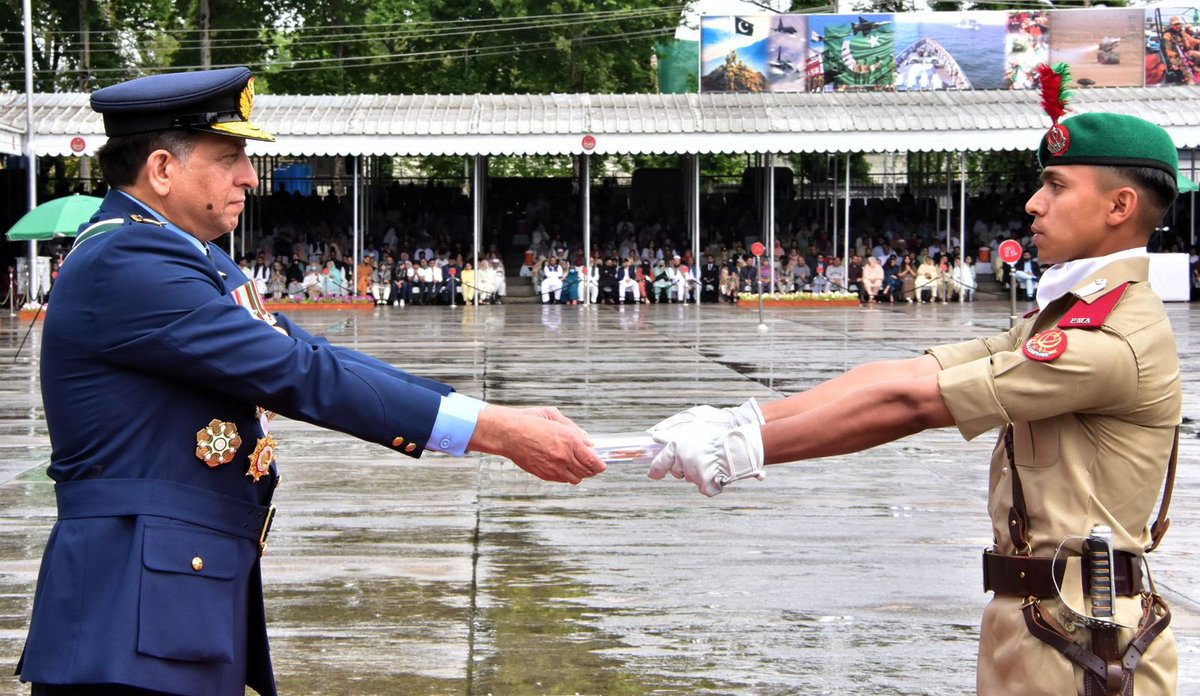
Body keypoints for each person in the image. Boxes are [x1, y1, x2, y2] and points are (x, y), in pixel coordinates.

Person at [16, 67, 606, 695]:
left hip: (171, 594)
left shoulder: (190, 255)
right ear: (162, 169)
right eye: (230, 157)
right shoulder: (129, 261)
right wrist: (495, 432)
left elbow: (310, 352)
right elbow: (298, 374)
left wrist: (484, 415)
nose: (248, 176)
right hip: (126, 610)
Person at [646, 108, 1187, 694]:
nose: (1034, 203)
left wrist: (745, 450)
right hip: (1041, 618)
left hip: (1089, 632)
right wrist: (746, 418)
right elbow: (906, 375)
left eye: (1056, 186)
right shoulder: (1062, 320)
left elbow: (915, 406)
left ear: (1119, 207)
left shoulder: (1109, 339)